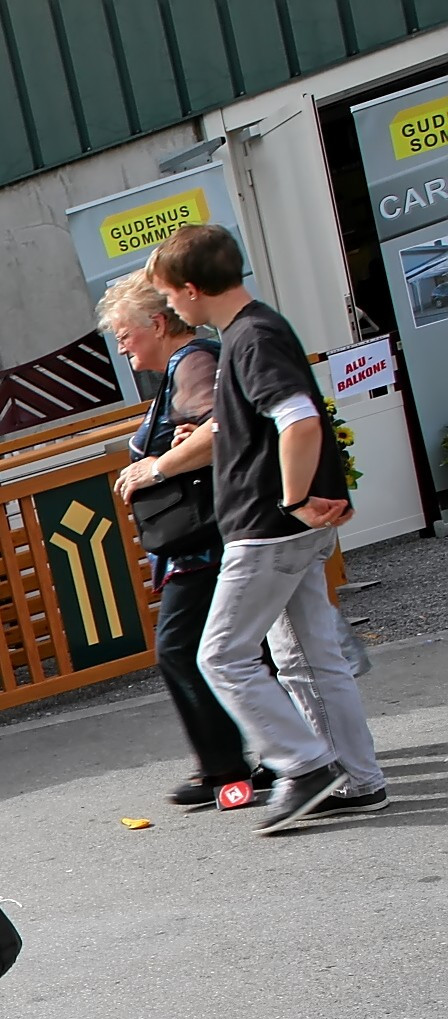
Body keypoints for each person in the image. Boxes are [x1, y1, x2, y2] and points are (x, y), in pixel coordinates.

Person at [146, 224, 384, 833]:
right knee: (309, 657)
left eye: (168, 295)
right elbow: (282, 420)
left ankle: (303, 765)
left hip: (265, 527)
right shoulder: (258, 328)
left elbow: (299, 419)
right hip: (283, 527)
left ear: (192, 289)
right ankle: (357, 779)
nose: (168, 306)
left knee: (222, 656)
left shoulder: (248, 338)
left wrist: (295, 496)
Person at [100, 275, 264, 812]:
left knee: (181, 648)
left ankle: (227, 765)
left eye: (125, 334)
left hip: (205, 538)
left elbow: (219, 428)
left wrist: (156, 467)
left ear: (157, 323)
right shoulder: (187, 364)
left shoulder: (192, 361)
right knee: (240, 648)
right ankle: (263, 756)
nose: (122, 347)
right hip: (213, 533)